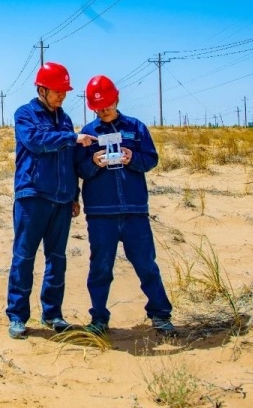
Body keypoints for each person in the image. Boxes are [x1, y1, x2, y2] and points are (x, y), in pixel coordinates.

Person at [75, 75, 176, 337]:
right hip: (100, 214)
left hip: (134, 211)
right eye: (98, 108)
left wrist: (133, 158)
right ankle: (99, 318)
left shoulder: (136, 127)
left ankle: (161, 315)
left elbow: (151, 159)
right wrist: (93, 163)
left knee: (146, 265)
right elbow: (79, 169)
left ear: (117, 99)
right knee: (100, 268)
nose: (103, 111)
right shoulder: (87, 133)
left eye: (107, 106)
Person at [7, 62, 97, 339]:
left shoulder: (65, 119)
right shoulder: (25, 115)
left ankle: (53, 314)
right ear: (42, 89)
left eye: (65, 91)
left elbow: (69, 160)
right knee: (24, 257)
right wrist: (72, 137)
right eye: (57, 91)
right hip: (32, 196)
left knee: (57, 259)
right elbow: (36, 141)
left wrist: (74, 195)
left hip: (61, 200)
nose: (62, 96)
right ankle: (17, 316)